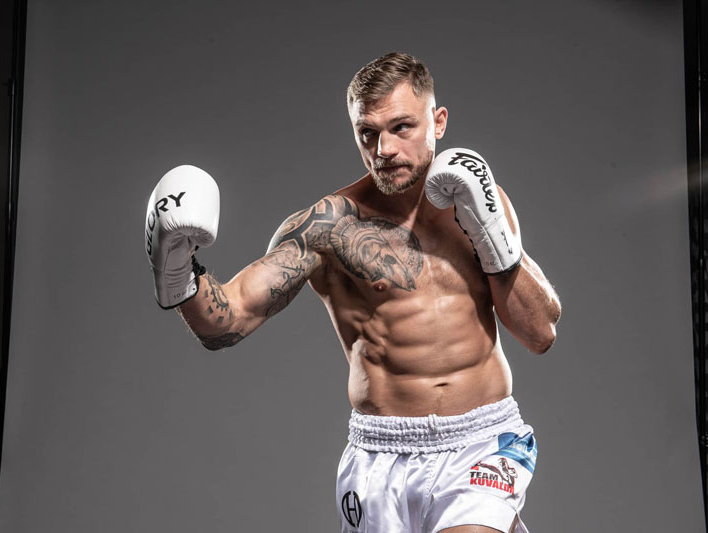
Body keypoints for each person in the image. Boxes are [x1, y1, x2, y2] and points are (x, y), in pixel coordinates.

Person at [144, 52, 561, 533]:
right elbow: (226, 322)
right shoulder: (329, 227)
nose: (384, 149)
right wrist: (175, 266)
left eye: (401, 127)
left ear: (438, 122)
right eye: (368, 133)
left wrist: (490, 231)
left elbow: (540, 332)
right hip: (380, 455)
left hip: (482, 442)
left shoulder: (480, 198)